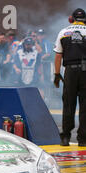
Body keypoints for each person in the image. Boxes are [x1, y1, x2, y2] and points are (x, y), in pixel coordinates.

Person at [53, 8, 86, 146]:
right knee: (85, 106)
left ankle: (65, 137)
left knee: (68, 105)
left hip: (70, 72)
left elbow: (58, 56)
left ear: (71, 19)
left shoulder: (63, 32)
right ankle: (83, 140)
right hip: (85, 71)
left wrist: (56, 74)